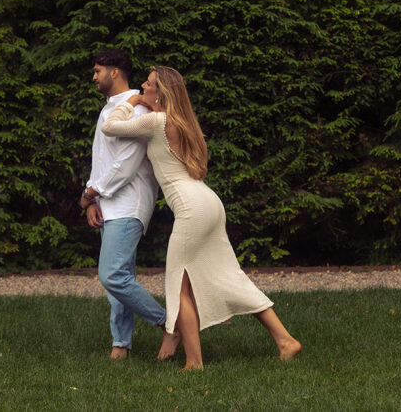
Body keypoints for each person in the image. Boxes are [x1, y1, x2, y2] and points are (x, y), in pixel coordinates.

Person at [95, 65, 301, 369]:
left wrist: (131, 102)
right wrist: (141, 100)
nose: (142, 87)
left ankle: (194, 362)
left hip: (192, 209)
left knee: (179, 288)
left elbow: (110, 126)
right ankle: (285, 341)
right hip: (209, 203)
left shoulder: (157, 121)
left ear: (161, 92)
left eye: (148, 85)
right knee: (229, 276)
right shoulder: (183, 122)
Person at [79, 49, 167, 360]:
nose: (94, 77)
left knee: (112, 274)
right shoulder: (109, 110)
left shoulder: (138, 110)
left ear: (115, 72)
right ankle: (121, 344)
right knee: (121, 277)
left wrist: (92, 193)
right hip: (110, 203)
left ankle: (169, 323)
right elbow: (101, 161)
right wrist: (93, 198)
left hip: (129, 204)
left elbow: (127, 164)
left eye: (98, 70)